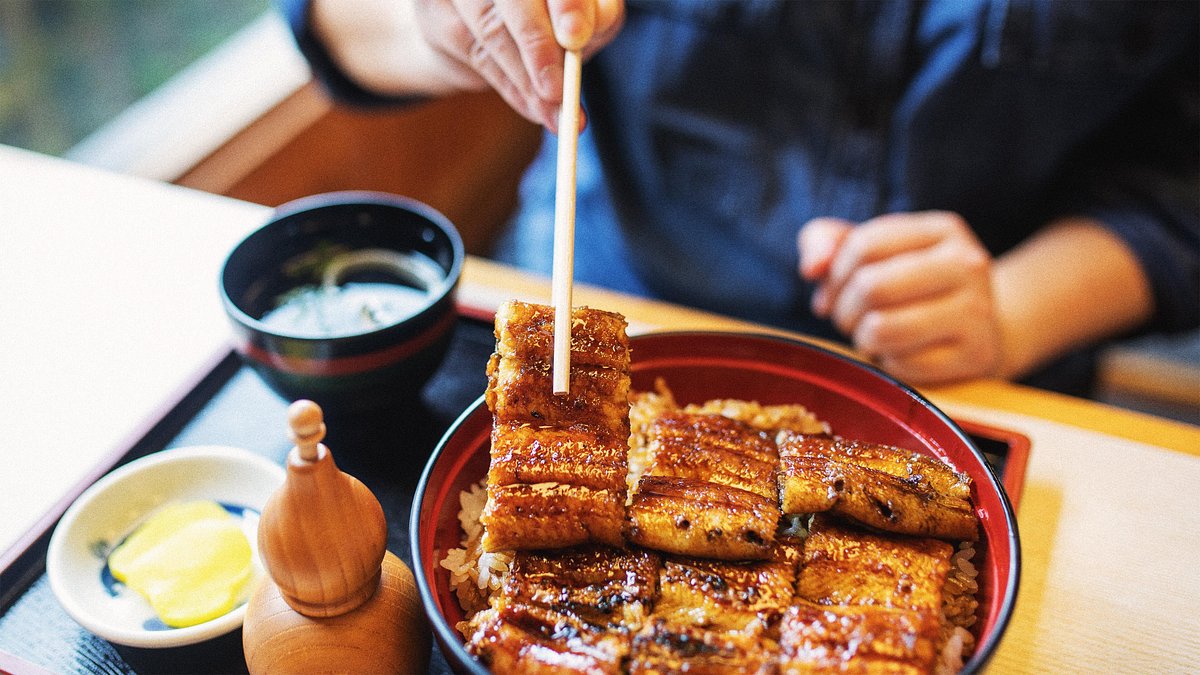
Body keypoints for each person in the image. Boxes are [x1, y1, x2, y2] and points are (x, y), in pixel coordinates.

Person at [277, 0, 1198, 397]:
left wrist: (1014, 304)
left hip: (972, 382)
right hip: (605, 308)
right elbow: (325, 26)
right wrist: (447, 27)